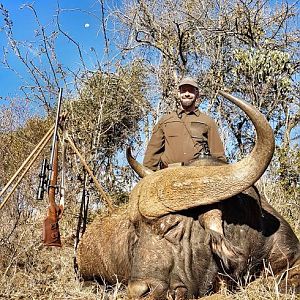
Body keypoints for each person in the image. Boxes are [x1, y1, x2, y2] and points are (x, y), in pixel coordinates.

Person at [143, 77, 241, 267]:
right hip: (169, 179)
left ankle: (225, 263)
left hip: (198, 180)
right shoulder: (165, 121)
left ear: (197, 94)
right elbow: (151, 157)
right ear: (178, 93)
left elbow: (219, 157)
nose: (186, 93)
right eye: (183, 90)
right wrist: (149, 182)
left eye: (191, 90)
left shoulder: (207, 122)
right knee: (156, 224)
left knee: (213, 218)